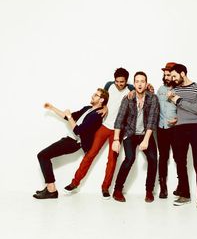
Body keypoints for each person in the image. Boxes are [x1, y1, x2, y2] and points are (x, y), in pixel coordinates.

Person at [64, 68, 134, 198]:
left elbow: (136, 89)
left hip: (117, 130)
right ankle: (74, 183)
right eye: (117, 81)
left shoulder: (130, 89)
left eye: (122, 82)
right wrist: (105, 107)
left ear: (126, 81)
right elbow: (103, 99)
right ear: (114, 80)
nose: (120, 84)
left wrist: (135, 89)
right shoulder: (108, 85)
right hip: (103, 126)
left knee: (112, 160)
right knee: (90, 154)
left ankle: (105, 187)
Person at [33, 88, 109, 199]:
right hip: (68, 139)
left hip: (74, 143)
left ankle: (51, 190)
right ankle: (50, 188)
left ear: (101, 100)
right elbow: (69, 116)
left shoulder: (96, 116)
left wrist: (69, 117)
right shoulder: (87, 108)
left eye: (96, 95)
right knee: (44, 155)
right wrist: (52, 108)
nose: (92, 96)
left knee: (42, 155)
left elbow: (78, 131)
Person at [112, 71, 159, 203]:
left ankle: (149, 190)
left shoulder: (152, 98)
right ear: (134, 83)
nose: (139, 84)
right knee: (129, 158)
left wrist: (146, 140)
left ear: (146, 83)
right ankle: (117, 190)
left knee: (153, 159)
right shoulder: (128, 98)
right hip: (130, 133)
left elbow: (151, 121)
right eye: (137, 81)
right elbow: (119, 119)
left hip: (145, 134)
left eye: (142, 81)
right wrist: (116, 140)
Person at [167, 64, 197, 211]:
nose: (172, 78)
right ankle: (185, 195)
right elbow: (179, 110)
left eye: (174, 76)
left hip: (196, 128)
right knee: (180, 161)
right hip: (179, 128)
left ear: (182, 74)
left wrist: (178, 100)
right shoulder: (174, 90)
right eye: (171, 76)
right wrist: (176, 118)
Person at [156, 62, 179, 199]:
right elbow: (155, 104)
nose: (166, 77)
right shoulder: (161, 89)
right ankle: (163, 187)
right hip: (161, 128)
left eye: (169, 74)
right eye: (165, 75)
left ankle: (181, 185)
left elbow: (184, 109)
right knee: (163, 157)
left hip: (175, 129)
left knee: (178, 157)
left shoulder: (180, 89)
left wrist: (178, 119)